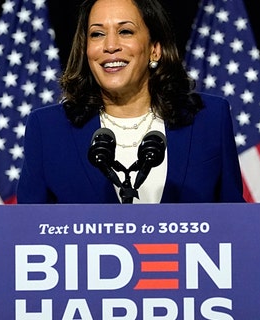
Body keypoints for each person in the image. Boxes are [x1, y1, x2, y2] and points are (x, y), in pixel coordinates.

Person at [17, 0, 245, 204]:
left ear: (154, 50)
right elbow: (27, 231)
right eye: (97, 34)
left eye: (125, 31)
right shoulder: (48, 128)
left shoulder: (209, 119)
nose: (110, 46)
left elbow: (235, 224)